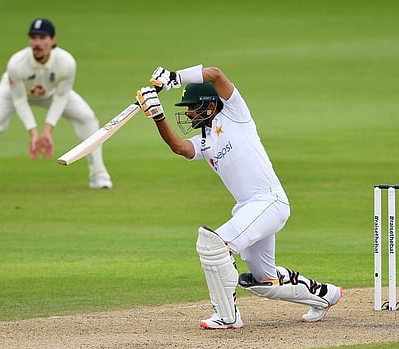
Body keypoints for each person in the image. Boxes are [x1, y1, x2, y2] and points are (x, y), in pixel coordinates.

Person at [135, 65, 343, 329]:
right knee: (264, 281)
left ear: (210, 105)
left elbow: (215, 74)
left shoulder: (235, 113)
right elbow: (179, 147)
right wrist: (158, 116)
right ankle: (326, 296)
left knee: (213, 244)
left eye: (191, 106)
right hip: (250, 208)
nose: (187, 112)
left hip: (269, 201)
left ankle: (227, 316)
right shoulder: (205, 140)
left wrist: (175, 78)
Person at [0, 18, 112, 191]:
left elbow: (61, 97)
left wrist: (47, 130)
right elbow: (19, 100)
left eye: (42, 38)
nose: (37, 43)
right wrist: (33, 132)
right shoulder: (17, 63)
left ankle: (99, 176)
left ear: (53, 40)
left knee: (87, 118)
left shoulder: (66, 63)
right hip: (13, 92)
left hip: (52, 92)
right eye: (33, 38)